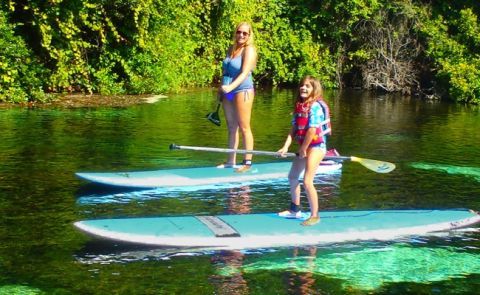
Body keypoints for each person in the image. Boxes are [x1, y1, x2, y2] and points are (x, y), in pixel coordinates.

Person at [277, 76, 332, 226]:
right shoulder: (299, 106)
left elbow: (312, 130)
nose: (303, 88)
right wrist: (286, 146)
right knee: (293, 176)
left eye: (308, 86)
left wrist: (303, 149)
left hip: (316, 147)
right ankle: (295, 210)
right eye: (302, 85)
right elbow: (294, 129)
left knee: (307, 181)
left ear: (314, 90)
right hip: (305, 146)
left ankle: (315, 215)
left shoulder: (315, 107)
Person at [218, 22, 257, 173]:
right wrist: (221, 89)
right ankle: (230, 161)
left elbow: (244, 73)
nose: (241, 35)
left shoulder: (249, 50)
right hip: (228, 89)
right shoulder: (231, 48)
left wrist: (230, 88)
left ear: (249, 35)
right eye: (239, 32)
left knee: (244, 127)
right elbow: (226, 71)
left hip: (242, 89)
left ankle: (247, 162)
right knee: (231, 127)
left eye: (245, 33)